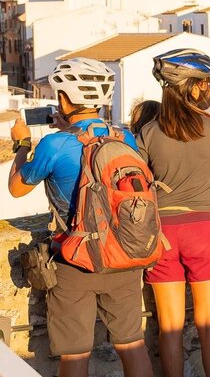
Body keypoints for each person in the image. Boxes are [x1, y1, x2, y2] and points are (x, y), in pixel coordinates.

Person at [6, 58, 153, 377]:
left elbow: (16, 188)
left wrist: (21, 144)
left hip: (74, 262)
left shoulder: (54, 144)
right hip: (123, 256)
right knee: (132, 345)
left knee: (75, 355)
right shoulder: (124, 139)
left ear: (63, 98)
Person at [137, 48, 210, 377]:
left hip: (162, 234)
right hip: (205, 229)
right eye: (204, 82)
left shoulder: (147, 133)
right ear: (190, 86)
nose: (208, 87)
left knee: (170, 330)